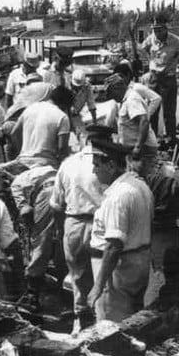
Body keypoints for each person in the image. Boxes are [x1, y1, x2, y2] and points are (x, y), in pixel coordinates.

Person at [50, 125, 109, 333]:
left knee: (78, 276)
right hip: (102, 223)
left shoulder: (68, 164)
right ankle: (103, 321)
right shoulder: (107, 164)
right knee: (104, 275)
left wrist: (61, 230)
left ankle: (82, 319)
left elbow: (56, 204)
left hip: (74, 222)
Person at [87, 139, 154, 322]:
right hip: (139, 261)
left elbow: (114, 245)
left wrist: (98, 286)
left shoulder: (117, 197)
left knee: (111, 322)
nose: (94, 171)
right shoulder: (140, 185)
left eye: (97, 165)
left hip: (119, 269)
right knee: (133, 319)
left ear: (110, 165)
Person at [10, 161, 61, 311]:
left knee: (41, 242)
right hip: (66, 189)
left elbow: (26, 211)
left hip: (47, 193)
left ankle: (32, 294)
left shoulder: (17, 181)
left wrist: (32, 230)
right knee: (63, 240)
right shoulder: (48, 168)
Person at [140, 17, 179, 146]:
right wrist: (151, 61)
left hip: (168, 78)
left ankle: (171, 140)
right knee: (152, 110)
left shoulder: (176, 41)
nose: (157, 33)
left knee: (169, 111)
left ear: (165, 29)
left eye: (159, 30)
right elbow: (143, 49)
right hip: (153, 78)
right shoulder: (151, 39)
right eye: (155, 30)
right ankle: (153, 139)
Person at [9, 86, 73, 169]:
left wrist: (24, 153)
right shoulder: (62, 116)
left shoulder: (30, 108)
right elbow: (62, 149)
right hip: (46, 164)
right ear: (65, 105)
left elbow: (14, 133)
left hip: (23, 162)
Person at [70, 69, 98, 142]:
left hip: (76, 115)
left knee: (82, 136)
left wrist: (95, 122)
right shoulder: (66, 84)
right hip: (65, 114)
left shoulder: (87, 87)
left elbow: (91, 104)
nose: (77, 87)